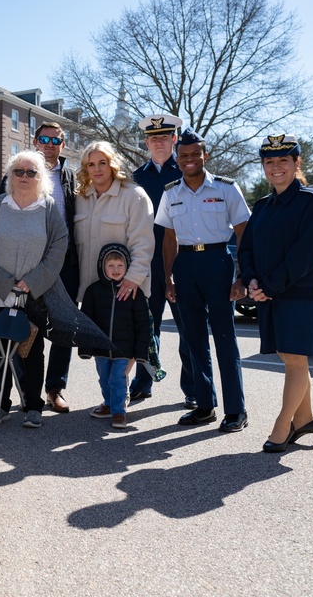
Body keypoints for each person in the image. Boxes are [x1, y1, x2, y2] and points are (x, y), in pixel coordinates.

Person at [238, 134, 313, 453]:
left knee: (294, 358)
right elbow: (246, 248)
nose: (276, 167)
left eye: (283, 160)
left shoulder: (312, 200)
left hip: (298, 293)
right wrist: (251, 280)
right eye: (269, 162)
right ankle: (305, 418)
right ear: (263, 166)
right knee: (290, 356)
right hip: (268, 292)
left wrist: (269, 286)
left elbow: (309, 251)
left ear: (295, 164)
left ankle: (283, 424)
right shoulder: (263, 206)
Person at [156, 130, 251, 433]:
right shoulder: (171, 192)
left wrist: (241, 276)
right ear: (178, 159)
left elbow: (243, 233)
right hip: (185, 264)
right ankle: (204, 404)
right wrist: (168, 278)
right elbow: (168, 240)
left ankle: (236, 409)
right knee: (193, 339)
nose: (189, 160)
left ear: (204, 156)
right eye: (183, 156)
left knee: (224, 338)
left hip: (217, 262)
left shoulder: (226, 188)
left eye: (195, 154)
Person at [0, 151, 67, 429]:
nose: (25, 176)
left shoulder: (48, 207)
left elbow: (58, 245)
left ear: (41, 178)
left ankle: (32, 404)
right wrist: (2, 281)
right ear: (10, 175)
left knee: (32, 349)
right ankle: (1, 402)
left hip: (34, 292)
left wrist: (35, 280)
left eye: (32, 172)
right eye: (19, 171)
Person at [0, 122, 77, 413]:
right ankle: (22, 387)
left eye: (56, 140)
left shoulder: (71, 177)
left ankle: (54, 388)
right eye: (44, 138)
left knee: (62, 328)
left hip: (63, 264)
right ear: (34, 140)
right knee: (21, 324)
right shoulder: (16, 171)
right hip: (22, 264)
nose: (49, 144)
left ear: (63, 145)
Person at [72, 140, 155, 404]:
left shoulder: (134, 196)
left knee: (126, 346)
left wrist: (133, 278)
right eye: (91, 164)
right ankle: (112, 398)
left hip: (127, 288)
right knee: (101, 347)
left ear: (112, 164)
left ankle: (117, 398)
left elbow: (143, 242)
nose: (97, 169)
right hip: (94, 292)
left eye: (102, 163)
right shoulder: (81, 198)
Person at [131, 114, 196, 408]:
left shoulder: (186, 172)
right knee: (146, 327)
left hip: (180, 262)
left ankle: (193, 388)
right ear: (146, 143)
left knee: (188, 328)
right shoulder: (135, 178)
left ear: (174, 140)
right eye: (153, 138)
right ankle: (143, 383)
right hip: (145, 263)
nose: (158, 142)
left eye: (164, 137)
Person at [79, 243, 152, 430]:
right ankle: (109, 403)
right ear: (102, 267)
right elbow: (86, 322)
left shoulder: (134, 292)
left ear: (127, 267)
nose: (116, 270)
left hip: (124, 348)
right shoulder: (93, 291)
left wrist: (141, 352)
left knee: (117, 378)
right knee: (104, 379)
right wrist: (86, 347)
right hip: (102, 348)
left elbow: (143, 325)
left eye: (120, 266)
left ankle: (119, 412)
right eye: (110, 265)